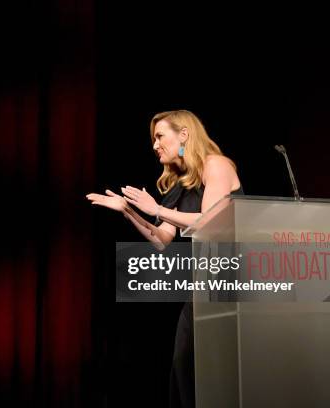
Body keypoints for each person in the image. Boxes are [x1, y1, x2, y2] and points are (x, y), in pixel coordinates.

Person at [86, 110, 242, 408]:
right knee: (184, 369)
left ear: (184, 135)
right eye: (153, 138)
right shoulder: (181, 183)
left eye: (160, 136)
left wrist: (156, 209)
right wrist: (128, 211)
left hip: (228, 284)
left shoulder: (216, 165)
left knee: (217, 370)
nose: (154, 145)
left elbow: (210, 221)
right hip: (201, 287)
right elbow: (161, 239)